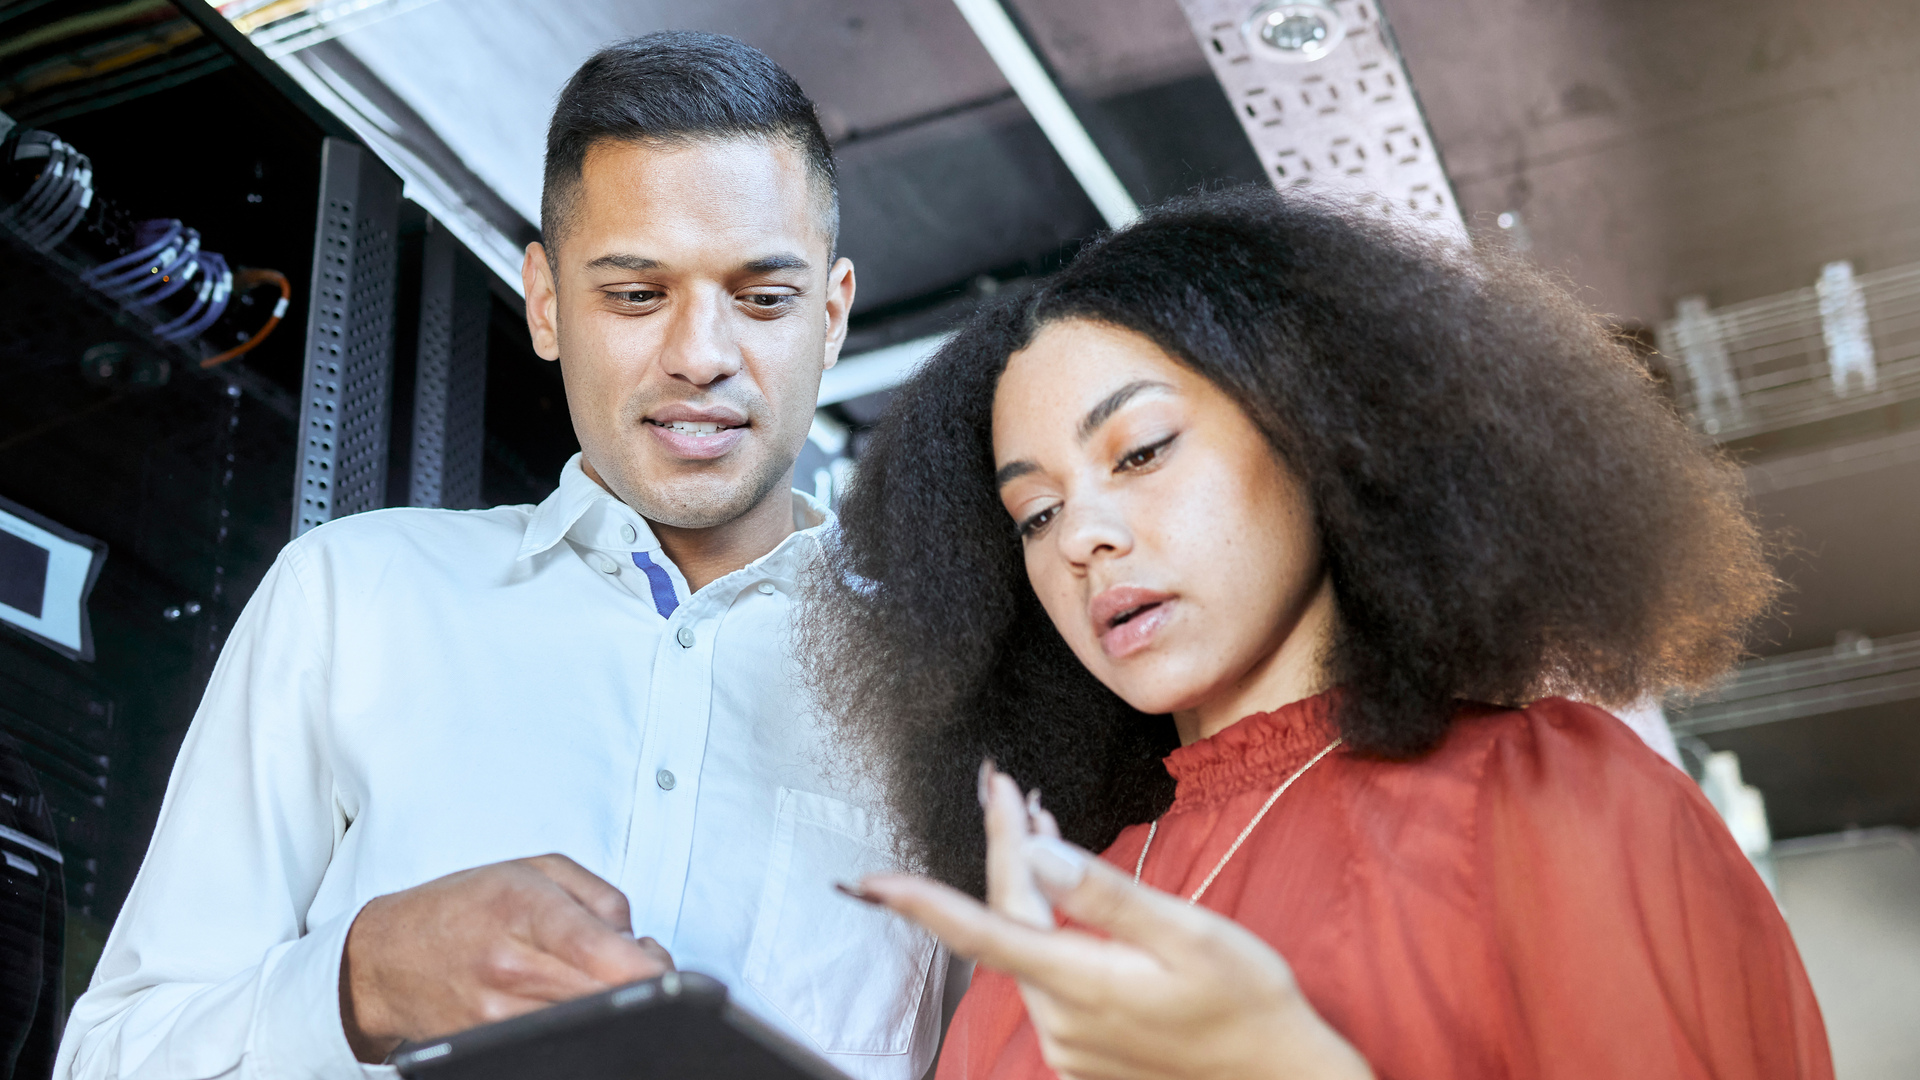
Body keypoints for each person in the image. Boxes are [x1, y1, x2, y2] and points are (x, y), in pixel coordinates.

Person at [56, 33, 947, 1080]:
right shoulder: (354, 598)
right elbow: (110, 1061)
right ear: (547, 302)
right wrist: (366, 984)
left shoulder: (951, 687)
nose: (702, 356)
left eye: (761, 298)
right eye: (634, 293)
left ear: (832, 315)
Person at [806, 189, 1832, 1080]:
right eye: (1034, 514)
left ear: (1319, 431)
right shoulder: (1050, 927)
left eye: (1142, 451)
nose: (1082, 537)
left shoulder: (1543, 797)